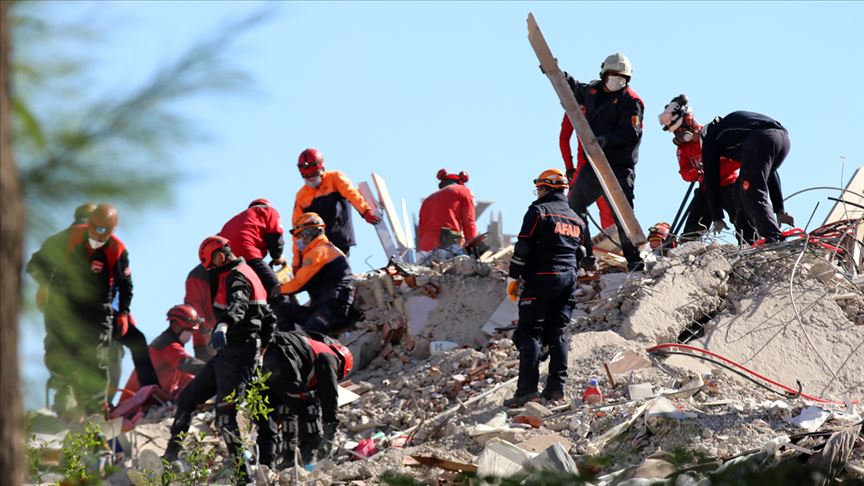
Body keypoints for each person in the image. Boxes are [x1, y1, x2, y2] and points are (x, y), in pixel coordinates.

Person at [27, 203, 158, 417]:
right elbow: (36, 263)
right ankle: (63, 393)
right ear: (89, 223)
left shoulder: (117, 249)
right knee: (58, 350)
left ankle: (95, 412)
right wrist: (44, 285)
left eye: (105, 230)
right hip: (64, 305)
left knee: (98, 359)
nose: (99, 234)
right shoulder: (70, 237)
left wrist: (124, 313)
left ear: (112, 229)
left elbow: (126, 285)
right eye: (95, 228)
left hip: (98, 310)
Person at [164, 236, 276, 484]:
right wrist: (262, 349)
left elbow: (238, 305)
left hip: (239, 352)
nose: (212, 272)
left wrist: (224, 325)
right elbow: (269, 318)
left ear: (220, 256)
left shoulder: (237, 275)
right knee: (187, 398)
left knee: (227, 415)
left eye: (212, 266)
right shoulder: (250, 273)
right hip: (232, 354)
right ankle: (171, 458)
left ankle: (244, 476)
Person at [503, 169, 584, 408]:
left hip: (541, 277)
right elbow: (582, 254)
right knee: (558, 332)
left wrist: (513, 278)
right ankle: (556, 389)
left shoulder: (538, 211)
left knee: (530, 333)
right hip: (568, 280)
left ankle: (527, 391)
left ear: (545, 188)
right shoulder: (577, 219)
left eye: (540, 188)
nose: (538, 192)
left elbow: (524, 247)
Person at [562, 52, 644, 270]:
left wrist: (606, 139)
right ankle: (585, 254)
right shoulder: (593, 91)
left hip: (618, 166)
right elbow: (575, 89)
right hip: (595, 164)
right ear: (604, 74)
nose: (617, 80)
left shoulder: (632, 102)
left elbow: (631, 133)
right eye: (613, 75)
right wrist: (560, 75)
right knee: (574, 205)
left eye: (621, 77)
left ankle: (634, 260)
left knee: (622, 216)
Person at [255, 330, 353, 468]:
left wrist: (289, 453)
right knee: (309, 407)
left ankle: (266, 469)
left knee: (270, 419)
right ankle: (310, 461)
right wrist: (330, 427)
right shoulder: (329, 355)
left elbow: (290, 413)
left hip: (259, 358)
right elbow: (329, 393)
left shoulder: (305, 356)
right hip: (279, 354)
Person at [657, 95, 746, 241]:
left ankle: (751, 245)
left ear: (688, 122)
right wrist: (696, 173)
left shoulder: (712, 135)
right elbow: (685, 173)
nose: (678, 135)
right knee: (691, 229)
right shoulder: (683, 150)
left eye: (679, 129)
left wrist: (713, 170)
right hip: (706, 189)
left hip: (729, 185)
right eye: (674, 132)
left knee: (742, 219)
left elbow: (737, 161)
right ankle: (685, 251)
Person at [700, 111, 794, 243]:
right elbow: (771, 173)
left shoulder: (711, 139)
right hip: (783, 139)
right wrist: (779, 209)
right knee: (740, 189)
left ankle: (773, 237)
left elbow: (711, 179)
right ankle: (749, 240)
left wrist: (716, 216)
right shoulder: (731, 131)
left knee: (750, 190)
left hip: (761, 138)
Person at [291, 148, 380, 273]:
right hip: (316, 248)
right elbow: (297, 231)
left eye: (313, 174)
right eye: (306, 176)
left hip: (339, 240)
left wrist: (365, 211)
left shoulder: (335, 178)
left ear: (321, 168)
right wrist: (297, 262)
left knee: (338, 274)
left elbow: (352, 194)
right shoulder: (301, 196)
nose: (310, 178)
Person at [271, 213, 355, 336]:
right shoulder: (319, 250)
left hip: (333, 308)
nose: (299, 240)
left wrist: (278, 289)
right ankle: (287, 343)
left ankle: (294, 346)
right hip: (321, 308)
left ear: (310, 233)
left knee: (307, 340)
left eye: (301, 235)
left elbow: (300, 283)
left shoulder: (320, 251)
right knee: (284, 310)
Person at [118, 304, 206, 402]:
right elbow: (188, 364)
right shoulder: (167, 346)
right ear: (175, 326)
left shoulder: (170, 346)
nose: (191, 334)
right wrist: (214, 367)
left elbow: (186, 378)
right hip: (137, 405)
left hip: (147, 401)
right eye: (189, 330)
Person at [218, 198, 285, 294]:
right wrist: (277, 256)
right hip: (249, 255)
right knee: (277, 291)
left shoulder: (234, 220)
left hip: (227, 265)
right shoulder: (268, 210)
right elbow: (275, 235)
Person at [417, 169, 478, 252]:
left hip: (426, 251)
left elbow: (421, 230)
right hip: (448, 247)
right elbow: (469, 221)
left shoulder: (427, 200)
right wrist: (473, 247)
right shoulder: (463, 191)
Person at [184, 264, 217, 361]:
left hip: (228, 337)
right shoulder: (199, 274)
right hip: (206, 342)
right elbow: (194, 306)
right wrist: (206, 332)